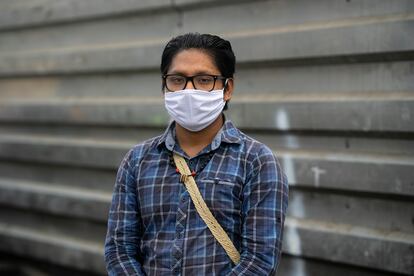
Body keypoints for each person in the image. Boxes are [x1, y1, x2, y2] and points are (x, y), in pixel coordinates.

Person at [104, 33, 289, 275]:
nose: (189, 90)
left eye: (204, 80)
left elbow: (260, 261)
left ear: (227, 88)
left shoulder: (257, 161)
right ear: (164, 86)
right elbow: (120, 251)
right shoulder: (137, 161)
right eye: (177, 79)